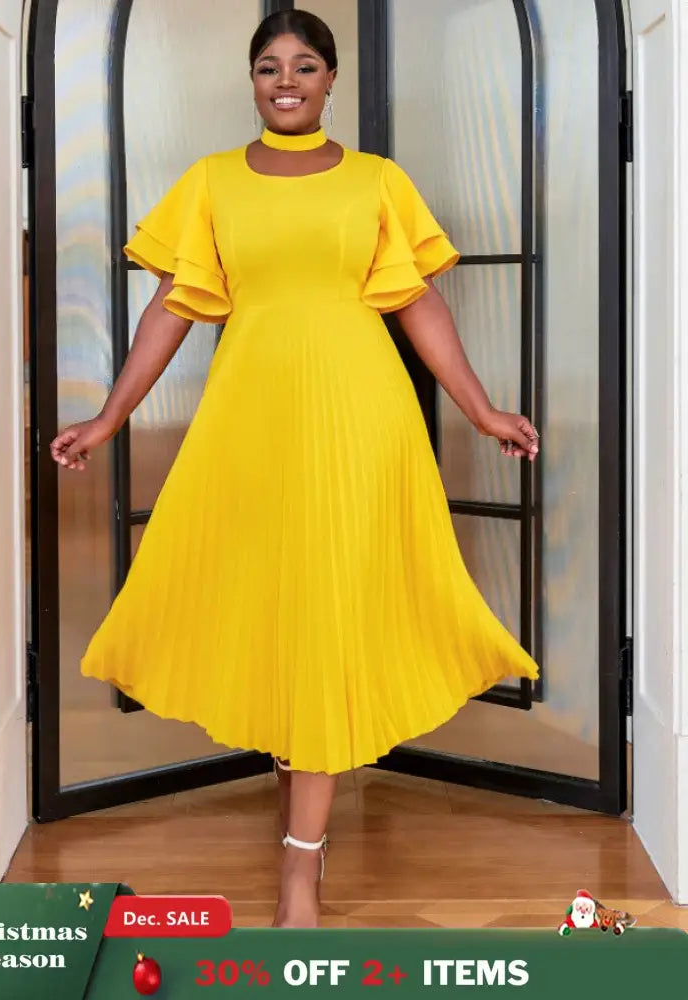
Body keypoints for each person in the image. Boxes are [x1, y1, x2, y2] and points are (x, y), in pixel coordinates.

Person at [50, 9, 539, 928]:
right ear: (251, 79)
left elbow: (417, 303)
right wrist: (110, 416)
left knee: (321, 621)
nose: (286, 80)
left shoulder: (376, 181)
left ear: (330, 79)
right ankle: (302, 836)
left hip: (360, 423)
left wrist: (480, 409)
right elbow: (172, 306)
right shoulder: (210, 182)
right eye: (269, 65)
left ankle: (298, 877)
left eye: (305, 65)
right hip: (250, 426)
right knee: (278, 620)